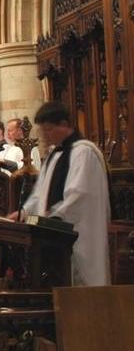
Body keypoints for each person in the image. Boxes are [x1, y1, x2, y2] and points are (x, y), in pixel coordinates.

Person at [12, 101, 110, 286]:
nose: (45, 136)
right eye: (42, 131)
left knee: (80, 284)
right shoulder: (54, 155)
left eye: (48, 130)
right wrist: (24, 212)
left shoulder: (84, 153)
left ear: (64, 125)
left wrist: (54, 215)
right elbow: (40, 194)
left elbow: (80, 195)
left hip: (79, 236)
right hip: (51, 235)